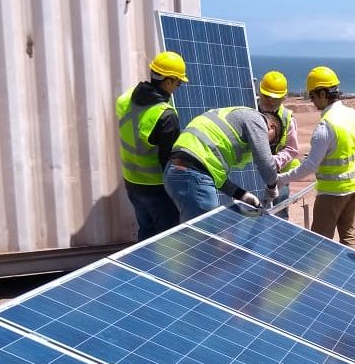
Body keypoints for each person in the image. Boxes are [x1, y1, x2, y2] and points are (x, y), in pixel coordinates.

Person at [274, 66, 355, 247]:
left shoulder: (325, 127)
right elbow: (344, 147)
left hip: (334, 191)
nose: (312, 101)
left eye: (313, 96)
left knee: (319, 244)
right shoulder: (352, 114)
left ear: (324, 94)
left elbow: (310, 166)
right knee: (349, 239)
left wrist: (281, 179)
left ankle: (320, 276)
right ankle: (345, 276)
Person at [163, 106, 282, 221]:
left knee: (194, 235)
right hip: (193, 175)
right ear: (271, 126)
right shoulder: (257, 120)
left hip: (175, 171)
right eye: (273, 140)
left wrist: (242, 195)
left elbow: (215, 175)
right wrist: (272, 186)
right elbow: (265, 162)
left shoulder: (231, 117)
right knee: (206, 236)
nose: (269, 144)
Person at [115, 51, 187, 239]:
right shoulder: (166, 116)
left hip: (131, 182)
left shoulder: (125, 99)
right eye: (178, 82)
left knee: (146, 234)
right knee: (168, 240)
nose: (178, 87)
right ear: (168, 81)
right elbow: (169, 162)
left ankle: (142, 267)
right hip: (157, 188)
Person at [257, 71, 300, 217]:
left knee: (279, 218)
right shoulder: (249, 111)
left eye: (274, 98)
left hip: (278, 178)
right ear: (259, 91)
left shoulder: (287, 118)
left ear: (283, 98)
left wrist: (275, 161)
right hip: (252, 174)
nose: (269, 101)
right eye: (266, 96)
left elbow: (292, 149)